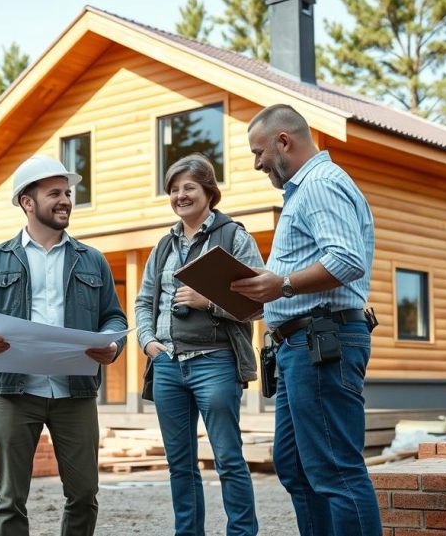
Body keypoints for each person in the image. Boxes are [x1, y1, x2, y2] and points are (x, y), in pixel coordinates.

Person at [0, 155, 128, 536]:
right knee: (9, 499)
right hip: (15, 392)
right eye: (54, 193)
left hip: (76, 393)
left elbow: (114, 318)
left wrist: (112, 345)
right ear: (27, 202)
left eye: (68, 193)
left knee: (84, 495)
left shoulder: (92, 261)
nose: (66, 200)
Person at [230, 104, 380, 536]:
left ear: (284, 141)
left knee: (335, 470)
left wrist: (283, 286)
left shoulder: (319, 185)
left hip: (320, 343)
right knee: (296, 467)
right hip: (300, 345)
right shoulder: (307, 190)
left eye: (259, 152)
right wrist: (266, 293)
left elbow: (346, 260)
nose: (257, 163)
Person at [134, 153, 263, 536]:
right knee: (180, 464)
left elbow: (257, 304)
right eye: (173, 189)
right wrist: (147, 342)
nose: (180, 195)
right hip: (168, 365)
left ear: (208, 191)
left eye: (188, 187)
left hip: (215, 363)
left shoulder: (234, 237)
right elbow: (144, 301)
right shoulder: (163, 245)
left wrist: (208, 303)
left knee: (228, 458)